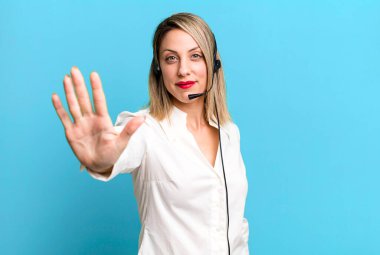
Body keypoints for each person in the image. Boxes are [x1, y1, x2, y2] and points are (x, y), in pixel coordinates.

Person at [52, 12, 249, 255]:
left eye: (195, 56)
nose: (183, 70)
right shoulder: (144, 129)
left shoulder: (230, 133)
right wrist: (100, 160)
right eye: (171, 59)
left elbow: (235, 227)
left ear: (214, 63)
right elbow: (118, 150)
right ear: (158, 68)